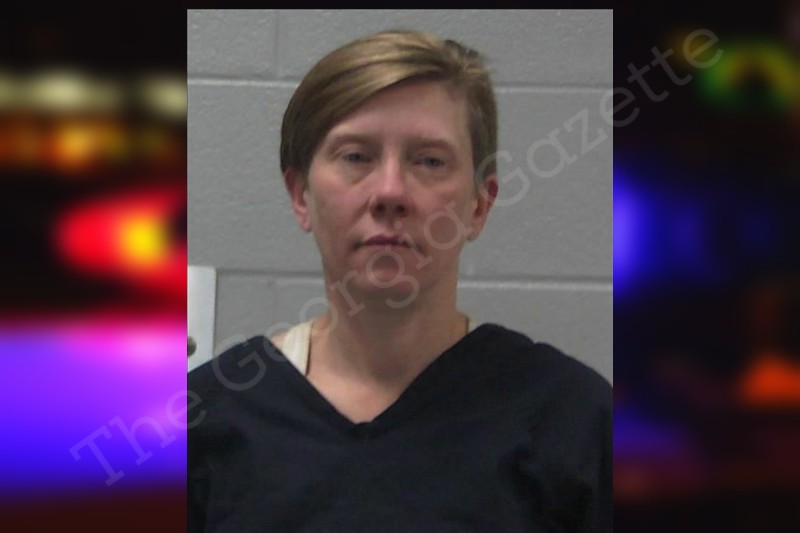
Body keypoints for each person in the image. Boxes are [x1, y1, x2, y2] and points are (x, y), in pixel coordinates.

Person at [188, 29, 611, 532]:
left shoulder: (575, 421)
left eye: (429, 161)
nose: (390, 192)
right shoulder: (205, 420)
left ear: (479, 205)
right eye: (356, 157)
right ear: (301, 195)